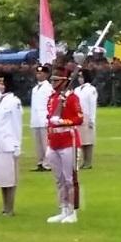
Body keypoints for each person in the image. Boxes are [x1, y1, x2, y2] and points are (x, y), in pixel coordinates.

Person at [45, 66, 84, 223]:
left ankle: (73, 211)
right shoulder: (52, 98)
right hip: (54, 141)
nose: (53, 83)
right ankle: (63, 208)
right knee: (59, 179)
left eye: (56, 80)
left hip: (69, 140)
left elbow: (79, 118)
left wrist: (62, 121)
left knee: (70, 178)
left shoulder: (72, 98)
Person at [0, 73, 22, 216]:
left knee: (10, 179)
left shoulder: (14, 101)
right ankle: (4, 206)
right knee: (1, 179)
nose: (0, 86)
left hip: (8, 143)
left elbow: (17, 124)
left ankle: (10, 208)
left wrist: (17, 145)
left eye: (3, 83)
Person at [31, 65, 54, 172]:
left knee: (46, 144)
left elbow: (51, 104)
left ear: (46, 74)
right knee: (38, 144)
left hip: (44, 118)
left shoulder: (49, 88)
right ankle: (40, 162)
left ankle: (48, 163)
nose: (38, 75)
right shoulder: (35, 89)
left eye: (41, 73)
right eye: (37, 73)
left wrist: (49, 118)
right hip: (36, 119)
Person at [76, 69, 98, 169]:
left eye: (82, 76)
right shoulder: (77, 90)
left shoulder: (91, 89)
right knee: (81, 140)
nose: (80, 79)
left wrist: (92, 119)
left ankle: (88, 162)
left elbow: (92, 105)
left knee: (88, 141)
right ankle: (83, 161)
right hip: (78, 116)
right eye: (79, 77)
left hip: (87, 116)